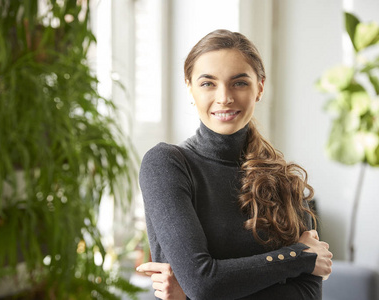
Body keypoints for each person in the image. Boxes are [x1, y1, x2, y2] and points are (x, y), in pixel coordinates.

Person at [136, 29, 333, 300]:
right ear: (190, 88)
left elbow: (307, 294)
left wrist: (205, 288)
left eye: (239, 83)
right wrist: (298, 257)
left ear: (260, 87)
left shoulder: (283, 179)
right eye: (208, 83)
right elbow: (203, 284)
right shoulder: (166, 165)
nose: (225, 97)